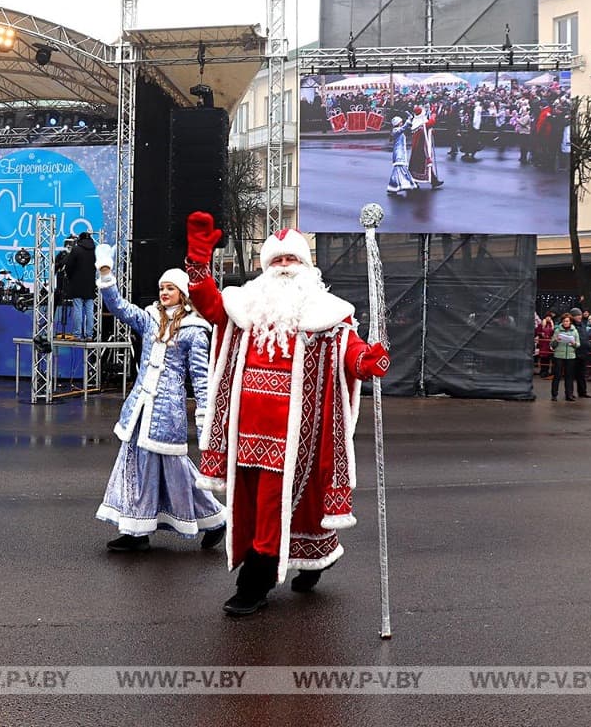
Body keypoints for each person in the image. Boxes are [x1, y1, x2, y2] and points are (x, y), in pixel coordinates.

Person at [184, 213, 391, 616]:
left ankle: (254, 584)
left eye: (291, 261)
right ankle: (317, 554)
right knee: (259, 505)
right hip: (245, 432)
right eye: (276, 261)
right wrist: (198, 260)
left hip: (299, 435)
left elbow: (351, 351)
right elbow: (209, 304)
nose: (283, 268)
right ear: (264, 267)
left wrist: (368, 360)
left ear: (306, 267)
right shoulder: (246, 305)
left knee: (278, 505)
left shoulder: (328, 314)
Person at [93, 246, 227, 551]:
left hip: (167, 415)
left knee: (175, 469)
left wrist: (206, 414)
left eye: (170, 288)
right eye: (161, 288)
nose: (164, 293)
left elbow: (202, 378)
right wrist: (106, 273)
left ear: (182, 292)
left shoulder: (195, 331)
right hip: (140, 410)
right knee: (134, 462)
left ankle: (215, 519)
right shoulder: (150, 318)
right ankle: (135, 532)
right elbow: (119, 307)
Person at [64, 231, 97, 339]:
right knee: (89, 310)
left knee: (78, 309)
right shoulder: (94, 251)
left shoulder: (76, 250)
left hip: (77, 284)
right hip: (90, 284)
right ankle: (89, 335)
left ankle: (77, 334)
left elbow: (68, 266)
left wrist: (70, 277)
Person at [407, 106, 444, 189]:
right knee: (424, 165)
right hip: (422, 147)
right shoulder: (422, 124)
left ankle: (433, 180)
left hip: (416, 147)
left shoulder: (416, 122)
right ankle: (431, 181)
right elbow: (432, 122)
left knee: (416, 165)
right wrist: (434, 114)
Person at [550, 313, 579, 401]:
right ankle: (554, 394)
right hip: (559, 355)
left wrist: (574, 343)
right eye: (564, 321)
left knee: (569, 376)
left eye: (567, 321)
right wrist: (556, 341)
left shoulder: (574, 331)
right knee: (557, 375)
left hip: (570, 356)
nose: (565, 323)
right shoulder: (558, 330)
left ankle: (569, 394)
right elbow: (552, 344)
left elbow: (578, 344)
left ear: (570, 322)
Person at [386, 115, 417, 195]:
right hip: (399, 153)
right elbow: (404, 128)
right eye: (400, 122)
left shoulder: (396, 130)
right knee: (401, 169)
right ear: (398, 123)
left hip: (401, 152)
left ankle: (395, 186)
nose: (402, 123)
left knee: (399, 169)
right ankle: (406, 185)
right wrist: (408, 120)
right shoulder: (396, 131)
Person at [568, 307, 591, 398]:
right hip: (574, 352)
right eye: (577, 315)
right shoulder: (571, 326)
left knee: (582, 374)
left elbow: (584, 337)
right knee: (571, 374)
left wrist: (588, 345)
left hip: (584, 352)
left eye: (580, 315)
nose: (579, 317)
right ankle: (570, 393)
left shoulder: (582, 325)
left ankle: (582, 392)